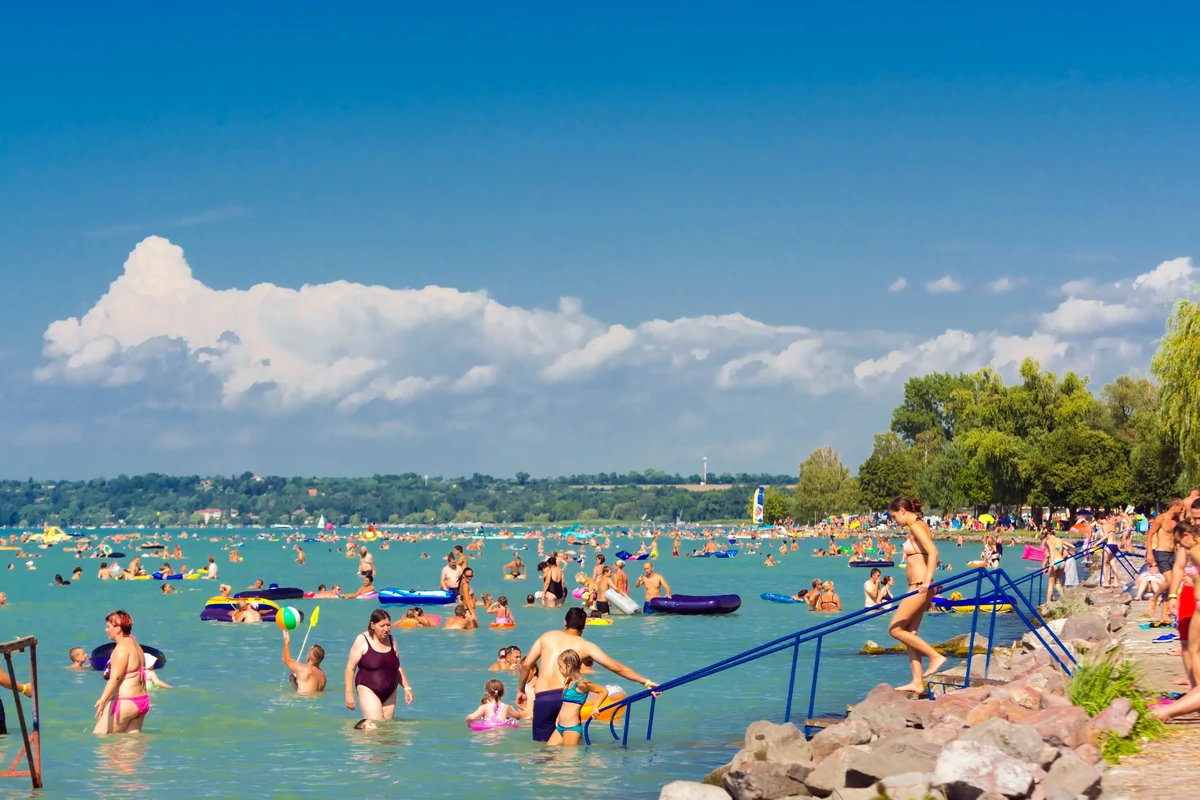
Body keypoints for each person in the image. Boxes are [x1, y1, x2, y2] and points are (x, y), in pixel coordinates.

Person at [517, 607, 657, 743]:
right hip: (567, 697)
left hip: (543, 699)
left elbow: (525, 665)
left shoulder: (546, 637)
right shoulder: (586, 646)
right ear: (584, 626)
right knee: (569, 746)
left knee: (543, 748)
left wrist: (521, 690)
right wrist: (645, 681)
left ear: (565, 622)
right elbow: (616, 668)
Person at [886, 497, 945, 694]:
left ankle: (935, 656)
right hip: (917, 586)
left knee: (894, 629)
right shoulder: (914, 526)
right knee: (910, 634)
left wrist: (927, 582)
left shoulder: (916, 525)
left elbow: (933, 552)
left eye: (894, 517)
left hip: (920, 585)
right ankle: (917, 682)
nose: (895, 522)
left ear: (902, 510)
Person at [344, 609, 413, 720]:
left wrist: (407, 687)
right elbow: (350, 668)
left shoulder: (392, 640)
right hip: (368, 688)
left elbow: (397, 667)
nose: (386, 629)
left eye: (388, 625)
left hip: (390, 691)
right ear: (372, 625)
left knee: (386, 730)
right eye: (382, 626)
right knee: (375, 726)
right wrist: (349, 693)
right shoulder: (362, 640)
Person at [93, 610, 150, 734]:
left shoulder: (121, 649)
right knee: (130, 749)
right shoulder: (136, 645)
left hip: (125, 702)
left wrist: (103, 700)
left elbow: (115, 677)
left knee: (101, 742)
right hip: (142, 701)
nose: (106, 630)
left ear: (118, 628)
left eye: (108, 627)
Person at [547, 649, 608, 746]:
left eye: (560, 666)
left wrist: (595, 707)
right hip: (560, 727)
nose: (559, 669)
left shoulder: (581, 683)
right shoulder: (568, 681)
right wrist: (559, 716)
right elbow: (565, 704)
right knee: (548, 752)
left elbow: (603, 691)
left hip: (571, 728)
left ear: (569, 666)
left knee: (569, 759)